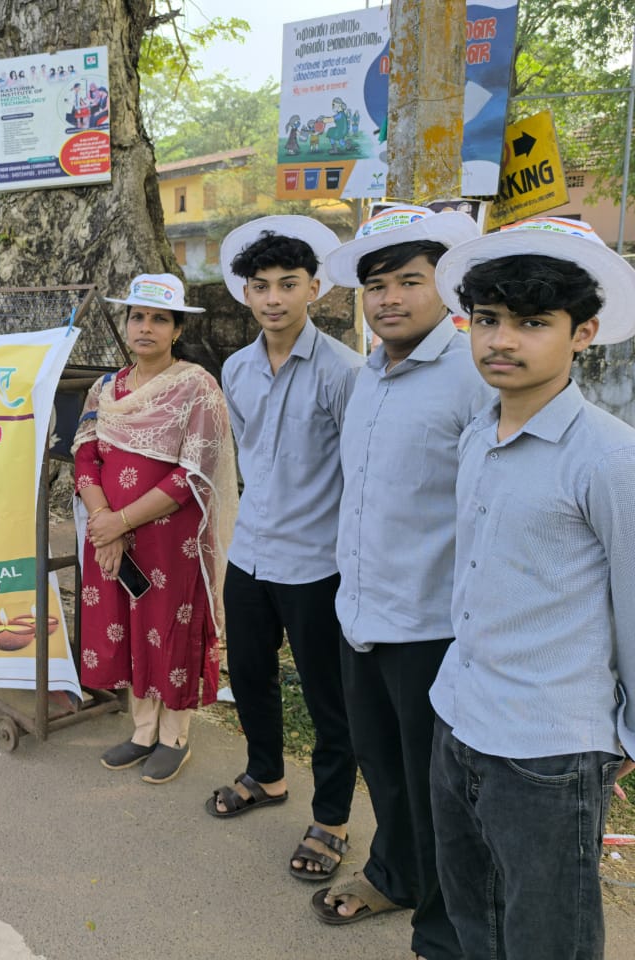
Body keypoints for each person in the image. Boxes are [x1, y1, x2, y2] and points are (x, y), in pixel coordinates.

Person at [428, 217, 635, 960]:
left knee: (550, 939)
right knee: (474, 924)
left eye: (533, 323)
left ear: (584, 334)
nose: (501, 341)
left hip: (548, 752)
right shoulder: (478, 432)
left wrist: (627, 738)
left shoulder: (610, 458)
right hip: (459, 719)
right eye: (487, 320)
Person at [312, 206, 487, 960]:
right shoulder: (370, 375)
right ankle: (395, 872)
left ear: (444, 289)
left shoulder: (474, 375)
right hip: (361, 610)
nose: (388, 299)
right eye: (375, 286)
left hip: (434, 624)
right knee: (381, 764)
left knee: (439, 789)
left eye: (409, 282)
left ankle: (446, 931)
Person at [208, 217, 363, 885]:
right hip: (251, 554)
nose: (273, 298)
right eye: (261, 286)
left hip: (316, 564)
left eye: (288, 285)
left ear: (316, 289)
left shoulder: (344, 372)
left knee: (330, 700)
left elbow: (360, 474)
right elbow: (248, 453)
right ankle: (267, 775)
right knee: (249, 675)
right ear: (246, 293)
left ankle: (331, 818)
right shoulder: (236, 368)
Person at [72, 273, 238, 784]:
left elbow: (194, 473)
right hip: (110, 539)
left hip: (172, 540)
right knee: (123, 623)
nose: (145, 327)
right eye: (137, 316)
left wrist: (121, 521)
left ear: (177, 330)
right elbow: (84, 454)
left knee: (170, 627)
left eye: (159, 319)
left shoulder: (197, 388)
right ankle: (142, 730)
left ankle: (175, 736)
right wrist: (105, 524)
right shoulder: (106, 388)